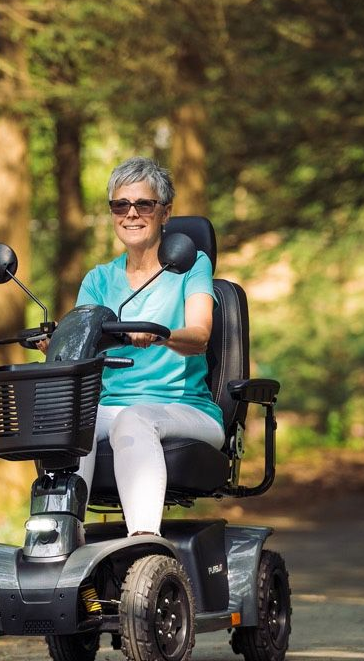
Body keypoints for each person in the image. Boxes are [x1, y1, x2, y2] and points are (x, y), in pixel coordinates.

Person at [53, 156, 224, 537]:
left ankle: (145, 542)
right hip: (112, 408)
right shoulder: (99, 279)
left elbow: (199, 336)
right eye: (120, 205)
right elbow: (79, 338)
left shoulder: (190, 265)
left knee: (135, 418)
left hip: (185, 408)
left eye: (143, 204)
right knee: (68, 420)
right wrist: (58, 342)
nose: (131, 214)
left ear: (165, 212)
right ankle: (62, 539)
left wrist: (162, 334)